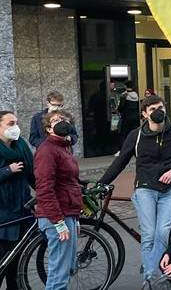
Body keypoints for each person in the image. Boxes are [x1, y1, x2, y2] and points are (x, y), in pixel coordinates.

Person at [98, 95, 171, 283]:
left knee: (162, 232)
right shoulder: (136, 136)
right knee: (149, 234)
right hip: (145, 189)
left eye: (160, 107)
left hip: (169, 190)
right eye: (152, 109)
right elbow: (120, 162)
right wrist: (102, 183)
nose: (158, 111)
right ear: (144, 114)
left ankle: (152, 277)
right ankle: (152, 279)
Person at [33, 110, 82, 290]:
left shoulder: (63, 147)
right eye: (55, 120)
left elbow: (69, 183)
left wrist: (75, 217)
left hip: (68, 212)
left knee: (66, 268)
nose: (61, 122)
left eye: (64, 119)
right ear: (48, 128)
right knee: (59, 273)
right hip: (56, 215)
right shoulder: (47, 150)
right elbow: (44, 189)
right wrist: (59, 222)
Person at [0, 111, 35, 290]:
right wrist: (7, 170)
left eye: (16, 123)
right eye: (10, 123)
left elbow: (31, 174)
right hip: (3, 213)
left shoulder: (21, 146)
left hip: (21, 209)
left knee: (16, 262)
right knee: (2, 262)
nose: (15, 127)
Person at [116, 80, 141, 156]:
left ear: (125, 86)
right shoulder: (136, 96)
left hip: (126, 118)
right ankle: (135, 149)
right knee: (134, 133)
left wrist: (117, 110)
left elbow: (121, 107)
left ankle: (122, 150)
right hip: (135, 118)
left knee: (123, 134)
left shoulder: (124, 95)